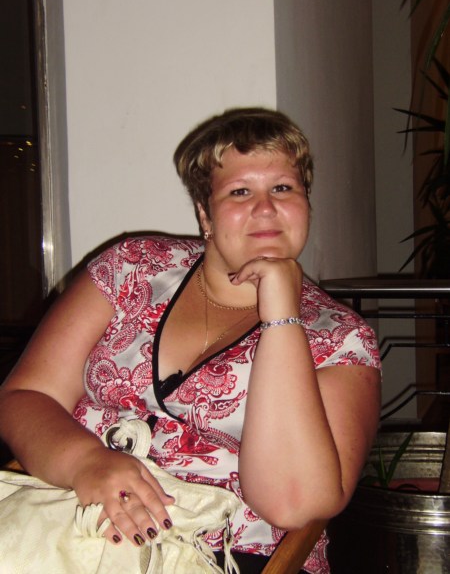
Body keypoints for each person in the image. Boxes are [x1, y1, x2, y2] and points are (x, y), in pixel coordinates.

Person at [0, 107, 381, 573]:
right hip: (73, 522)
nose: (265, 208)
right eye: (240, 191)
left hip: (226, 555)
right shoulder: (131, 268)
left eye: (283, 188)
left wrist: (282, 316)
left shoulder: (342, 338)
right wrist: (85, 463)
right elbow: (25, 395)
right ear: (205, 212)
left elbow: (293, 505)